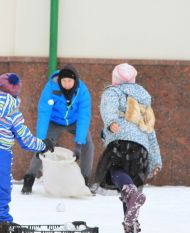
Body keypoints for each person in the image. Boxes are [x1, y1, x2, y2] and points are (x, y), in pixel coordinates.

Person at [0, 73, 54, 233]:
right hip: (0, 157)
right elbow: (26, 140)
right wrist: (43, 145)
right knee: (0, 196)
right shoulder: (13, 114)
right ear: (15, 93)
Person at [94, 63, 162, 233]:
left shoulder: (113, 91)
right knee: (130, 182)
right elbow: (150, 131)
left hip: (121, 140)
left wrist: (111, 123)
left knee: (114, 169)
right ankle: (131, 223)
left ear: (115, 78)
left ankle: (130, 196)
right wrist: (156, 160)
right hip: (142, 148)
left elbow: (108, 108)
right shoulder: (143, 101)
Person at [21, 64, 94, 194]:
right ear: (60, 80)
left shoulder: (82, 91)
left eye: (69, 81)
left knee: (88, 145)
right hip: (54, 121)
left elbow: (84, 116)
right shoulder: (51, 88)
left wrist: (78, 143)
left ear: (75, 81)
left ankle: (85, 181)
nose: (66, 83)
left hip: (74, 121)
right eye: (64, 80)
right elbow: (44, 113)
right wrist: (41, 140)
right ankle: (29, 178)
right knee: (42, 148)